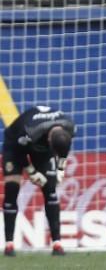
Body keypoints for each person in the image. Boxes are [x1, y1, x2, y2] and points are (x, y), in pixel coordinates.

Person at [2, 106, 74, 257]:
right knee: (12, 189)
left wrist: (60, 168)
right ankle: (9, 244)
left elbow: (64, 149)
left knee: (50, 189)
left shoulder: (69, 126)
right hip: (15, 146)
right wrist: (32, 172)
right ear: (48, 138)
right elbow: (19, 151)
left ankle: (57, 244)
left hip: (41, 149)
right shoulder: (31, 131)